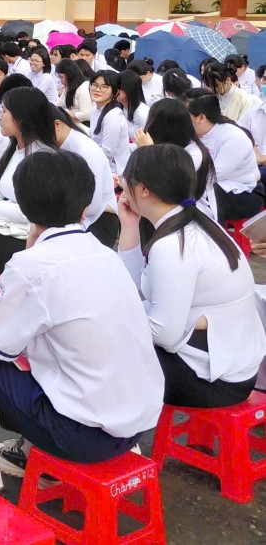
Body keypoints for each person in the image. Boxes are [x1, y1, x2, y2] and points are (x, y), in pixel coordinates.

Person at [0, 150, 163, 497]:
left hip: (81, 436)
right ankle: (28, 450)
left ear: (23, 205)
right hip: (133, 428)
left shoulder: (32, 266)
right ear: (84, 208)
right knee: (39, 343)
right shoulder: (104, 253)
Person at [116, 144, 266, 409]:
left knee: (96, 349)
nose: (120, 184)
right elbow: (131, 291)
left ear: (143, 189)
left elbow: (163, 333)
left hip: (213, 380)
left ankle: (116, 439)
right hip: (230, 367)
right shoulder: (195, 221)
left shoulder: (174, 244)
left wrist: (112, 318)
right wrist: (129, 226)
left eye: (125, 179)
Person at [0, 87, 58, 286]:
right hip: (5, 226)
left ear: (21, 118)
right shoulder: (12, 149)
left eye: (4, 111)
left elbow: (27, 213)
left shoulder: (43, 157)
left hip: (29, 238)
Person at [134, 98, 219, 223]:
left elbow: (167, 183)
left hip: (191, 215)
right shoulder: (168, 145)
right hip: (164, 208)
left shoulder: (194, 153)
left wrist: (149, 150)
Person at [188, 93, 265, 222]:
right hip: (218, 186)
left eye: (187, 117)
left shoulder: (233, 137)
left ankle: (216, 239)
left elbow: (211, 176)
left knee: (203, 196)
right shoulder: (194, 134)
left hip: (245, 193)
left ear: (201, 117)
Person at [51, 107, 119, 248]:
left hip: (97, 220)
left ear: (57, 125)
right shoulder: (63, 145)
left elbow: (92, 206)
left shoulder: (85, 150)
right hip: (76, 216)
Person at [89, 70, 129, 176]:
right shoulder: (95, 110)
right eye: (94, 85)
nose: (97, 89)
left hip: (114, 171)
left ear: (115, 92)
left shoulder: (113, 115)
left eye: (104, 86)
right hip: (98, 163)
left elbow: (107, 152)